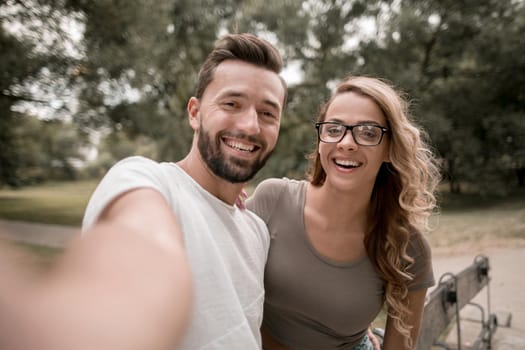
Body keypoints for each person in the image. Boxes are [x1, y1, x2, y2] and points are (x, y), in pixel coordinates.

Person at [0, 33, 287, 350]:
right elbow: (143, 245)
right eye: (232, 104)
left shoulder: (256, 231)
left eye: (267, 113)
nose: (250, 125)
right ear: (194, 112)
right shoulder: (146, 181)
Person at [246, 76, 441, 350]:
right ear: (321, 138)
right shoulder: (273, 200)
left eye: (368, 132)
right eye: (334, 128)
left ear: (390, 149)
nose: (347, 143)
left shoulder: (408, 247)